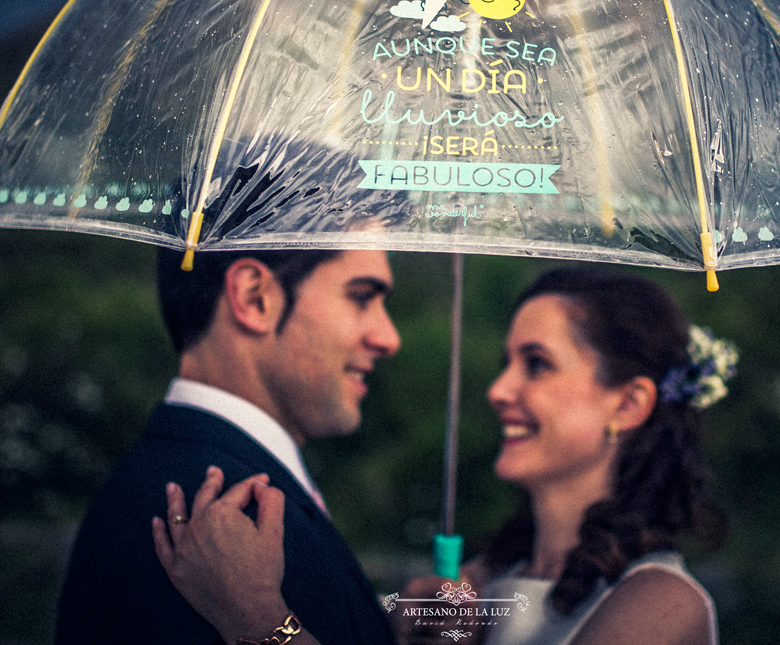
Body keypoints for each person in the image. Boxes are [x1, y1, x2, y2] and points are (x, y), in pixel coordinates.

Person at [154, 266, 734, 645]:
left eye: (536, 363)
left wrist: (257, 618)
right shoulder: (473, 587)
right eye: (506, 361)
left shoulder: (662, 607)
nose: (499, 389)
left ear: (628, 404)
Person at [55, 247, 401, 645]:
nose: (388, 338)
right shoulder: (222, 517)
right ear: (254, 297)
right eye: (360, 297)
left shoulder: (169, 473)